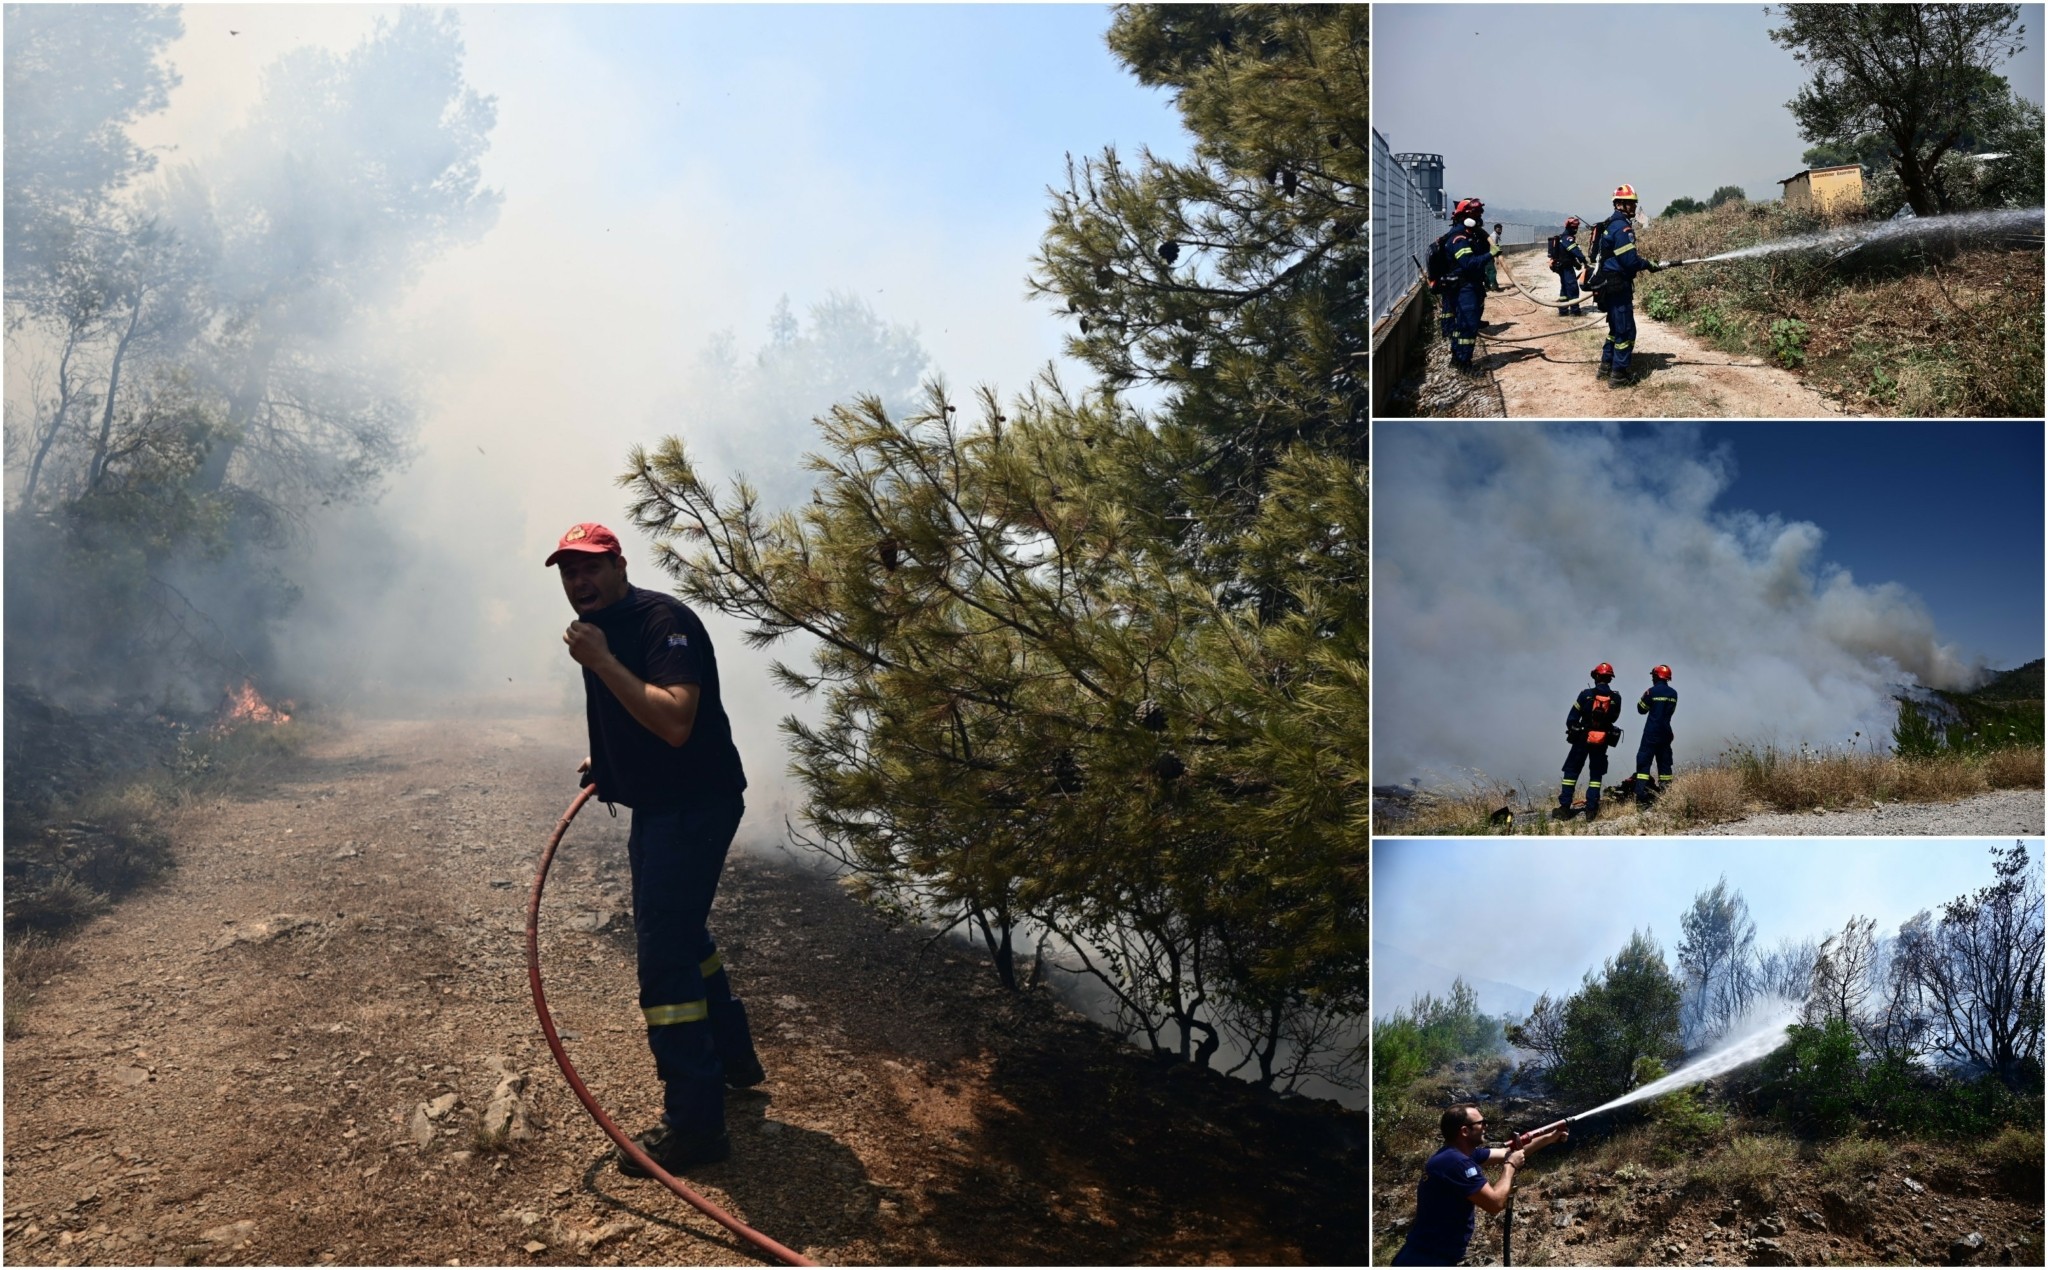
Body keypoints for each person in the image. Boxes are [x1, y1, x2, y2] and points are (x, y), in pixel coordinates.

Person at [548, 521, 764, 1175]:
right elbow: (636, 718)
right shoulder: (605, 630)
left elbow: (673, 719)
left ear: (619, 566)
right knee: (683, 934)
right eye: (568, 573)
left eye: (590, 568)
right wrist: (611, 763)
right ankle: (732, 1060)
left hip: (694, 806)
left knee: (664, 959)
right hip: (664, 804)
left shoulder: (657, 620)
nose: (579, 583)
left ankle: (696, 1128)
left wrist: (602, 663)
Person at [1391, 1104, 1570, 1266]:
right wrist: (1510, 1166)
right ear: (1464, 1131)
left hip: (1429, 1254)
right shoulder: (1457, 1163)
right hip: (1428, 1259)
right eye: (1481, 1123)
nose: (1486, 1126)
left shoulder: (1457, 1154)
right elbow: (1494, 1204)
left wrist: (1550, 1137)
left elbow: (1507, 1152)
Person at [1585, 184, 1662, 386]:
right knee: (1626, 331)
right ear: (1620, 204)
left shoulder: (1609, 224)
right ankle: (1619, 375)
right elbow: (1630, 261)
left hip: (1608, 285)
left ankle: (1605, 367)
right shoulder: (1623, 228)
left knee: (1615, 329)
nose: (1634, 208)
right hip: (1618, 286)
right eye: (1631, 204)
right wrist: (1649, 264)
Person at [1431, 198, 1494, 372]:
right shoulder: (1459, 237)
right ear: (1464, 216)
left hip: (1469, 286)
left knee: (1462, 326)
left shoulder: (1470, 234)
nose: (1479, 216)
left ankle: (1458, 359)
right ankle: (1464, 364)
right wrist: (1491, 255)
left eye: (1480, 212)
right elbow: (1469, 263)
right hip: (1464, 288)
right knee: (1468, 326)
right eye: (1475, 213)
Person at [1555, 662, 1624, 821]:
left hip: (1582, 738)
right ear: (1610, 679)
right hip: (1602, 740)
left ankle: (1565, 808)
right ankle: (1591, 810)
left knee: (1571, 771)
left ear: (1596, 677)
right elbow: (1614, 717)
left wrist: (1577, 727)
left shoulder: (1585, 694)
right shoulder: (1616, 698)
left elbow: (1572, 718)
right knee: (1596, 774)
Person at [1632, 664, 1679, 804]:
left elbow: (1641, 709)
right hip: (1666, 733)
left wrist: (1645, 697)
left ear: (1656, 676)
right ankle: (1666, 796)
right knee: (1664, 764)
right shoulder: (1673, 693)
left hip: (1651, 733)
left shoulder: (1651, 692)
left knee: (1643, 763)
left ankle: (1641, 798)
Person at [1549, 217, 1588, 316]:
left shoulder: (1563, 237)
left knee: (1565, 288)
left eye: (1576, 227)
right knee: (1573, 287)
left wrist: (1576, 263)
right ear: (1569, 227)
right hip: (1566, 267)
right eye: (1574, 227)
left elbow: (1568, 254)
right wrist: (1583, 260)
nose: (1576, 229)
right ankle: (1575, 311)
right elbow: (1574, 250)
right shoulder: (1568, 238)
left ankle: (1563, 311)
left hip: (1562, 266)